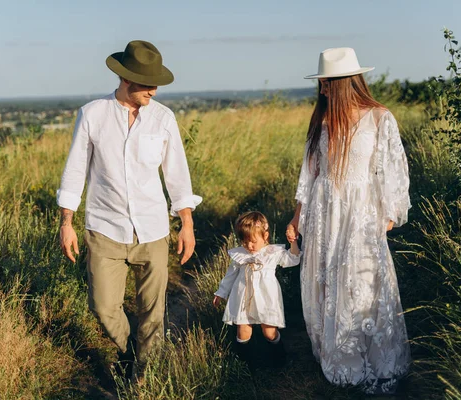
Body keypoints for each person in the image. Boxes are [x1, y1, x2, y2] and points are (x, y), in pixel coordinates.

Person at [56, 40, 202, 377]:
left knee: (153, 311)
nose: (153, 90)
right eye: (148, 84)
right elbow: (75, 169)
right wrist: (67, 222)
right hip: (105, 228)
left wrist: (187, 224)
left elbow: (177, 174)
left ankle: (145, 378)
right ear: (126, 79)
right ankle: (131, 349)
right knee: (103, 306)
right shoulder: (92, 114)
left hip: (152, 230)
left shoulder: (164, 119)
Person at [286, 47, 411, 394]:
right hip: (326, 212)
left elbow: (393, 169)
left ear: (343, 83)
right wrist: (297, 218)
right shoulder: (321, 121)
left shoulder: (379, 118)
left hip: (361, 213)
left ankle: (373, 358)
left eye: (326, 85)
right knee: (328, 284)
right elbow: (309, 175)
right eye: (321, 85)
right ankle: (340, 358)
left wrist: (388, 215)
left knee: (363, 285)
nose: (322, 91)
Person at [213, 211, 301, 367]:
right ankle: (244, 363)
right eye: (245, 242)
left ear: (265, 236)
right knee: (243, 332)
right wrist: (221, 293)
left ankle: (280, 358)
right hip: (244, 297)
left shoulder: (273, 253)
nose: (249, 246)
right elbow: (230, 276)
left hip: (267, 298)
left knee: (269, 333)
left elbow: (292, 259)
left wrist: (293, 242)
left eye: (253, 241)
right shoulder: (240, 255)